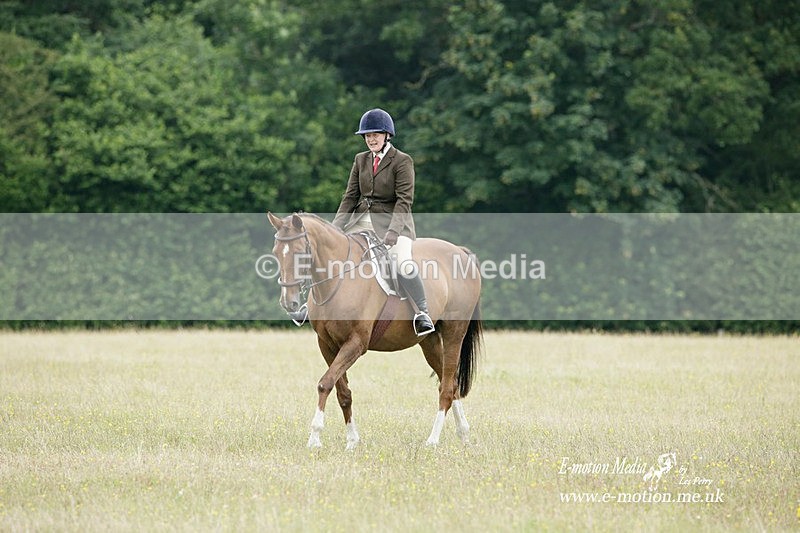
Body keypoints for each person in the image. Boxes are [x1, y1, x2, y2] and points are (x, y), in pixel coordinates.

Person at [330, 108, 435, 335]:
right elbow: (350, 197)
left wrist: (394, 231)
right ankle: (312, 307)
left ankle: (422, 313)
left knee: (402, 262)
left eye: (375, 134)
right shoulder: (360, 160)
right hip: (361, 220)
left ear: (387, 135)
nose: (371, 139)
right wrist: (334, 229)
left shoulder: (402, 161)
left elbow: (404, 201)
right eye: (367, 135)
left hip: (392, 224)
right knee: (331, 251)